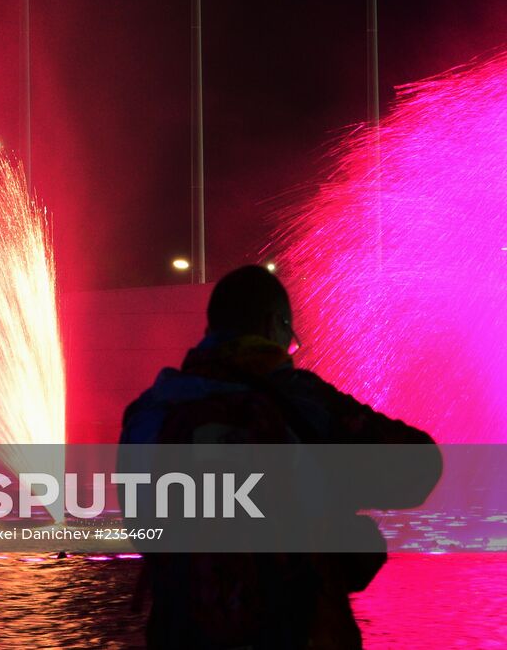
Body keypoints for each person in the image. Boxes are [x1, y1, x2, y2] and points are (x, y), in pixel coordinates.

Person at [120, 265, 441, 650]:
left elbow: (142, 528)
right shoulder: (303, 401)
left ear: (210, 330)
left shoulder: (150, 412)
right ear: (275, 324)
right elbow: (420, 469)